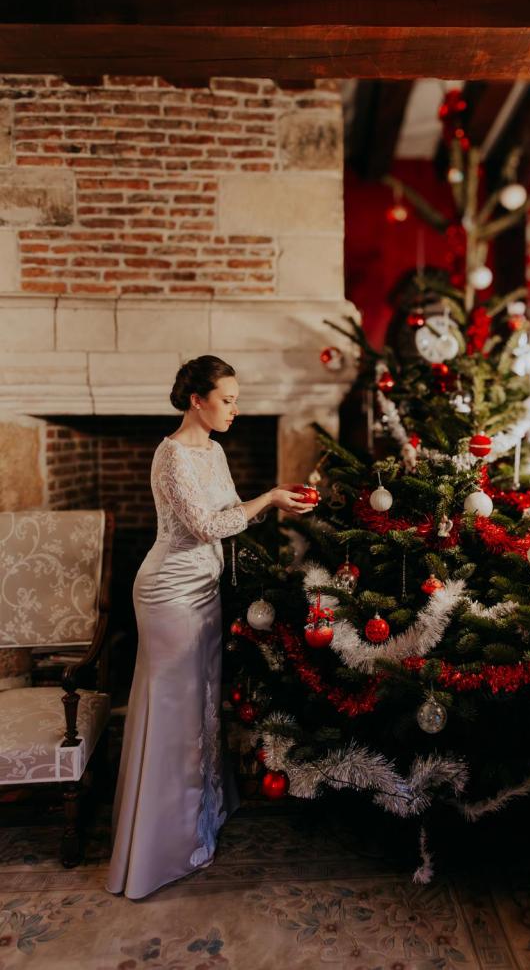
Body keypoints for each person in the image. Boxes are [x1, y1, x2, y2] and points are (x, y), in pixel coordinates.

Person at [106, 355, 314, 899]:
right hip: (169, 591)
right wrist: (267, 497)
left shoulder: (215, 450)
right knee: (174, 713)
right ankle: (163, 850)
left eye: (236, 399)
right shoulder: (171, 455)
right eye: (226, 399)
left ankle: (200, 818)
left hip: (204, 591)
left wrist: (273, 502)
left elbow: (229, 509)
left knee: (202, 702)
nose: (235, 409)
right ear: (197, 401)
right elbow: (207, 527)